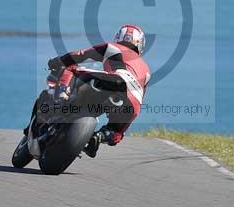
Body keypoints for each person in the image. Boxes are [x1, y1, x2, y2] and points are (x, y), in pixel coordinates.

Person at [40, 24, 151, 158]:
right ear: (140, 44)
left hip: (114, 80)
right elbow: (140, 97)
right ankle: (100, 137)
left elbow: (80, 55)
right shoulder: (146, 69)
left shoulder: (112, 47)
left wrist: (57, 61)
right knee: (116, 131)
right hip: (133, 101)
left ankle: (61, 97)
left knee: (71, 68)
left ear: (119, 37)